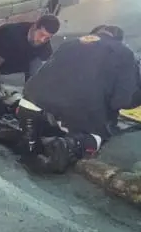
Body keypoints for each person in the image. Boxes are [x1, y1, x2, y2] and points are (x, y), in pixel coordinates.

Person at [16, 25, 141, 173]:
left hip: (32, 102)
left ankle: (29, 138)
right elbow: (122, 101)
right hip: (80, 111)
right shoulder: (125, 53)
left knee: (33, 109)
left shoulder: (70, 43)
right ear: (119, 40)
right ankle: (70, 145)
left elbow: (41, 75)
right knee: (101, 134)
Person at [0, 14, 60, 81]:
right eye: (41, 34)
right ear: (34, 26)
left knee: (39, 66)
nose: (42, 40)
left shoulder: (45, 44)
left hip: (15, 67)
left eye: (47, 38)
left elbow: (47, 67)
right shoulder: (11, 34)